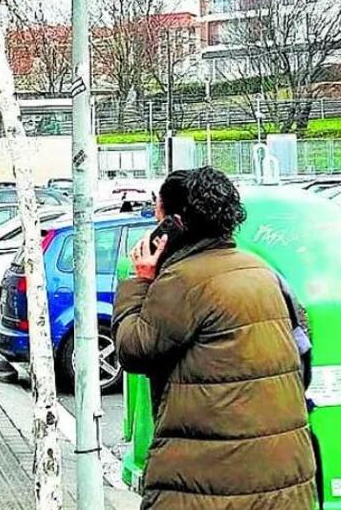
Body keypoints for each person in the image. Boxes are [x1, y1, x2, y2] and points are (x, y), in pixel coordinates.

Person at [113, 168, 316, 510]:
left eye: (157, 214)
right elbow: (303, 359)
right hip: (285, 480)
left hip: (205, 486)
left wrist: (141, 281)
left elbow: (134, 350)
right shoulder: (265, 273)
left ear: (173, 225)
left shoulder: (181, 280)